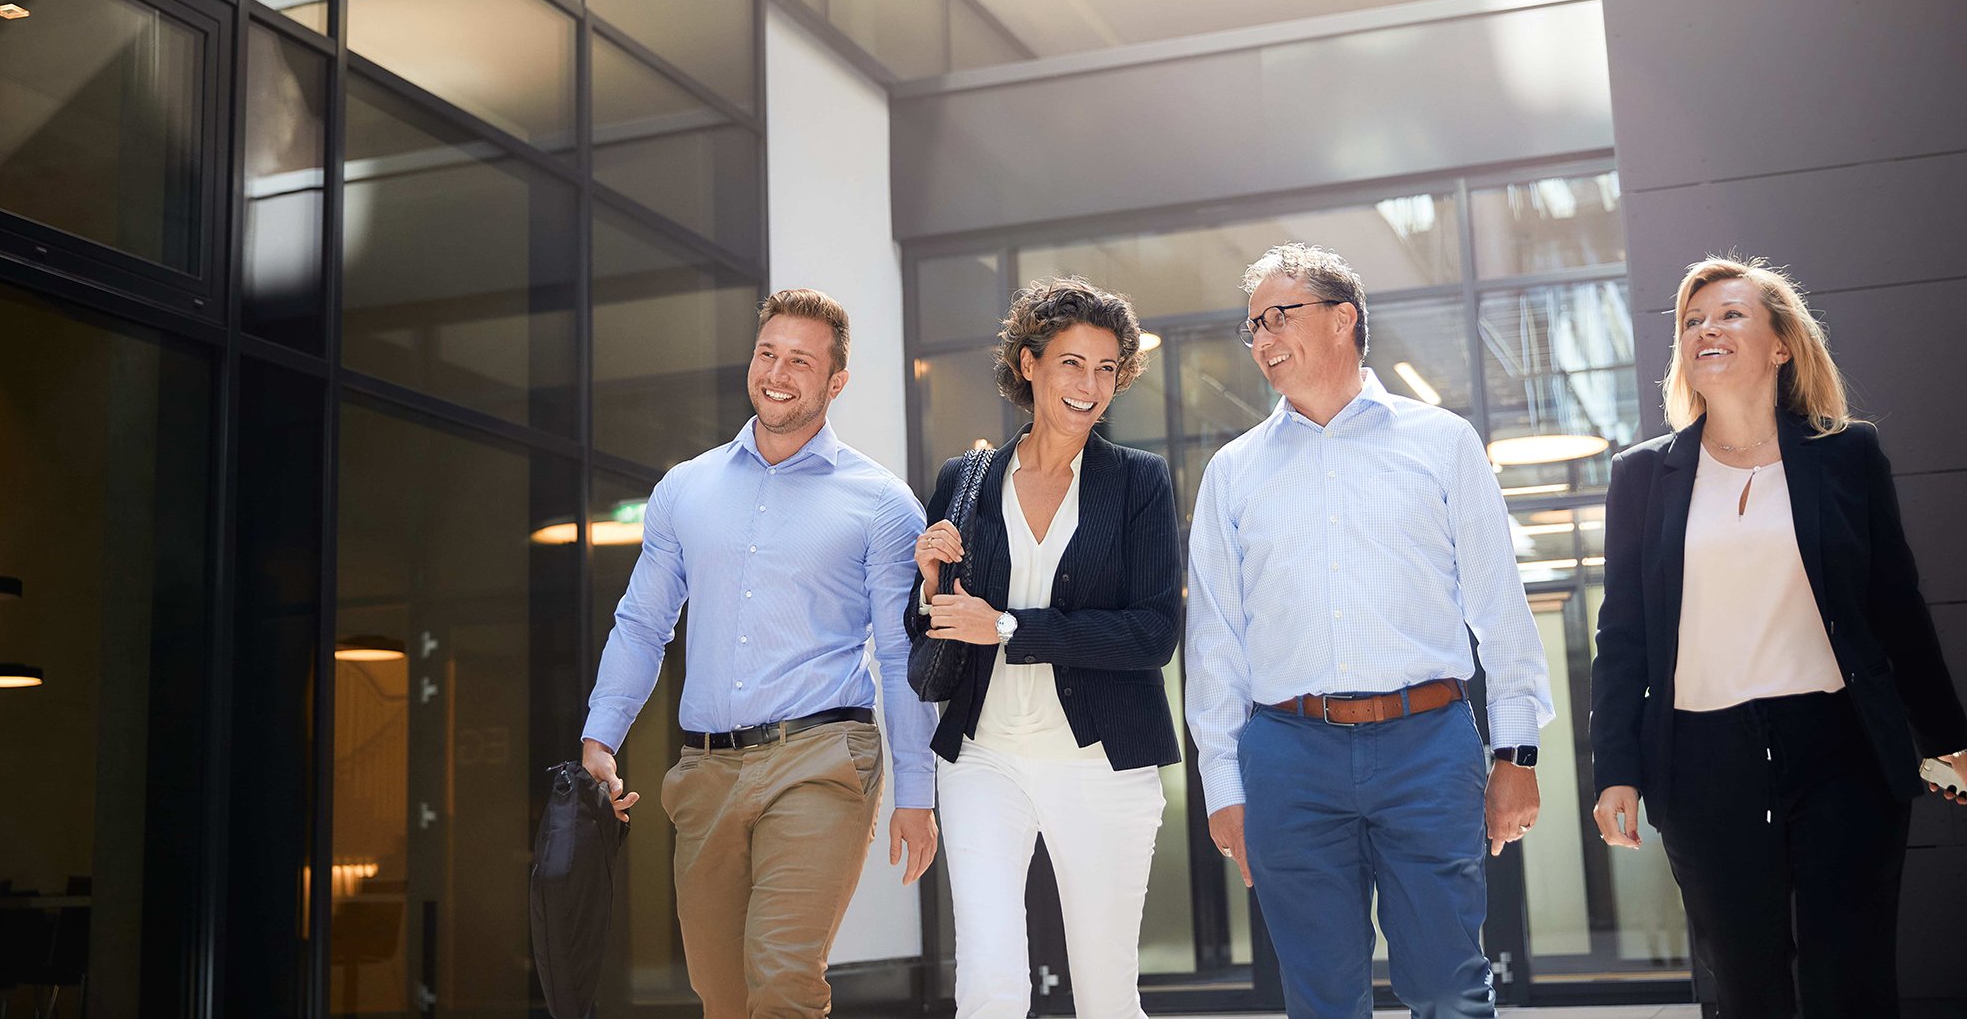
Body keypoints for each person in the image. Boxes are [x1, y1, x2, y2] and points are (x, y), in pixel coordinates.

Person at [1590, 256, 1967, 1017]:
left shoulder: (1846, 454)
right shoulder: (1641, 477)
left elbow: (1895, 604)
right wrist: (1616, 769)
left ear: (1781, 344)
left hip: (1842, 748)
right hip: (1700, 760)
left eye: (1730, 314)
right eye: (1692, 321)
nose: (1706, 330)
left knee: (1850, 983)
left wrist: (1948, 734)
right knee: (1744, 986)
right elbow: (1621, 634)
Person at [1185, 243, 1553, 1019]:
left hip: (1427, 745)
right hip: (1287, 755)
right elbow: (1217, 641)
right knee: (1320, 1000)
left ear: (1345, 317)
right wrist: (1222, 784)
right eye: (1253, 324)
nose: (1262, 339)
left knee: (1448, 988)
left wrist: (1517, 751)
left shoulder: (1443, 442)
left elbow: (1500, 607)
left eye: (1280, 316)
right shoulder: (1233, 471)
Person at [580, 288, 939, 1018]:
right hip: (705, 769)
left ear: (836, 382)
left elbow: (902, 655)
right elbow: (644, 622)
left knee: (782, 976)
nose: (777, 372)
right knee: (723, 992)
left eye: (800, 360)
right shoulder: (686, 488)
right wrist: (600, 737)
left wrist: (916, 792)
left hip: (822, 759)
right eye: (767, 353)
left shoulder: (880, 502)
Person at [907, 277, 1181, 1018]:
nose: (1091, 385)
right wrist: (929, 582)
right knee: (989, 985)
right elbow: (931, 628)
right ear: (1028, 363)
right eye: (1071, 363)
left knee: (1103, 992)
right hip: (983, 759)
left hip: (1101, 763)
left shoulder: (1139, 483)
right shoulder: (963, 481)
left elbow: (1154, 630)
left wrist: (1010, 627)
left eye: (1106, 368)